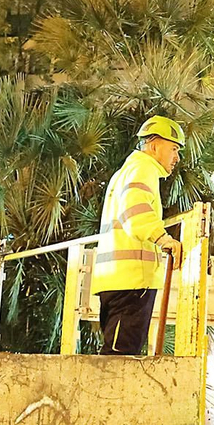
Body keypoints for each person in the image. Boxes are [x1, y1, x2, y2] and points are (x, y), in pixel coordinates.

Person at [93, 115, 184, 355]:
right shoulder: (143, 169)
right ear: (154, 145)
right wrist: (163, 239)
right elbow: (135, 212)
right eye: (173, 148)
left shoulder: (126, 171)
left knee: (116, 352)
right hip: (132, 281)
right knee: (119, 358)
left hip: (118, 280)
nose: (177, 157)